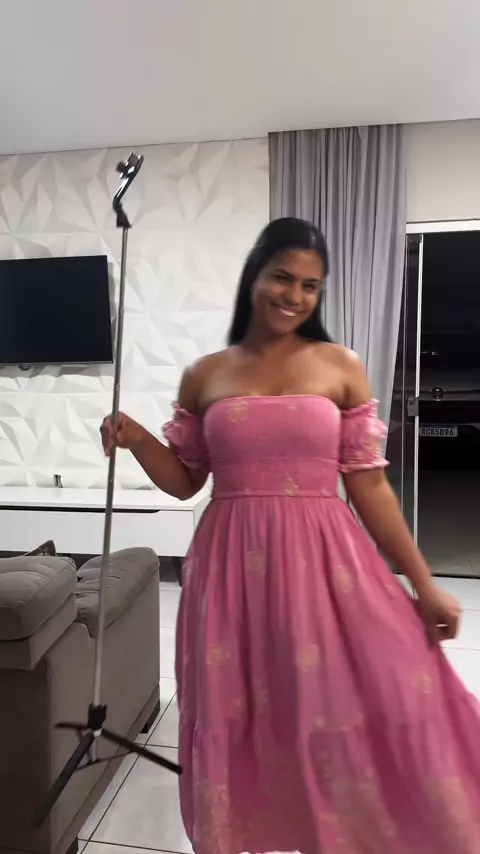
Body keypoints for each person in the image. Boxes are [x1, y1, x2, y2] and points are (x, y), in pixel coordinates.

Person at [101, 217, 480, 854]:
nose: (294, 296)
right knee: (241, 708)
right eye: (283, 277)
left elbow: (370, 487)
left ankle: (336, 833)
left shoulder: (340, 366)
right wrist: (137, 437)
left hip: (327, 564)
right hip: (227, 569)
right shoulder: (207, 374)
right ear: (256, 273)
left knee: (339, 700)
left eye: (311, 286)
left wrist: (424, 584)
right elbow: (187, 482)